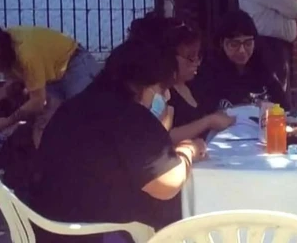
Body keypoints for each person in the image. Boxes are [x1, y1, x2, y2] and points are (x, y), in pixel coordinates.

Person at [30, 39, 207, 243]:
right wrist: (189, 150)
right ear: (146, 84)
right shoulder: (130, 116)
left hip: (48, 227)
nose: (165, 96)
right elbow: (167, 184)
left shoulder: (76, 105)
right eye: (162, 89)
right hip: (97, 233)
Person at [0, 14, 99, 147]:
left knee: (84, 122)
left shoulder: (25, 53)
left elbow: (37, 102)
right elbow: (15, 83)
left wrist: (6, 122)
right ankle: (49, 164)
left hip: (76, 66)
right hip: (54, 78)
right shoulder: (6, 49)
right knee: (43, 127)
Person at [127, 13, 236, 143]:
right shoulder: (159, 93)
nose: (197, 62)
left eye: (198, 56)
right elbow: (162, 137)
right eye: (190, 57)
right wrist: (208, 122)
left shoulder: (194, 83)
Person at [195, 10, 290, 110]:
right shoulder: (209, 74)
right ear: (221, 43)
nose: (242, 51)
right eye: (234, 44)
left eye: (248, 43)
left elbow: (284, 107)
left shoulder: (263, 68)